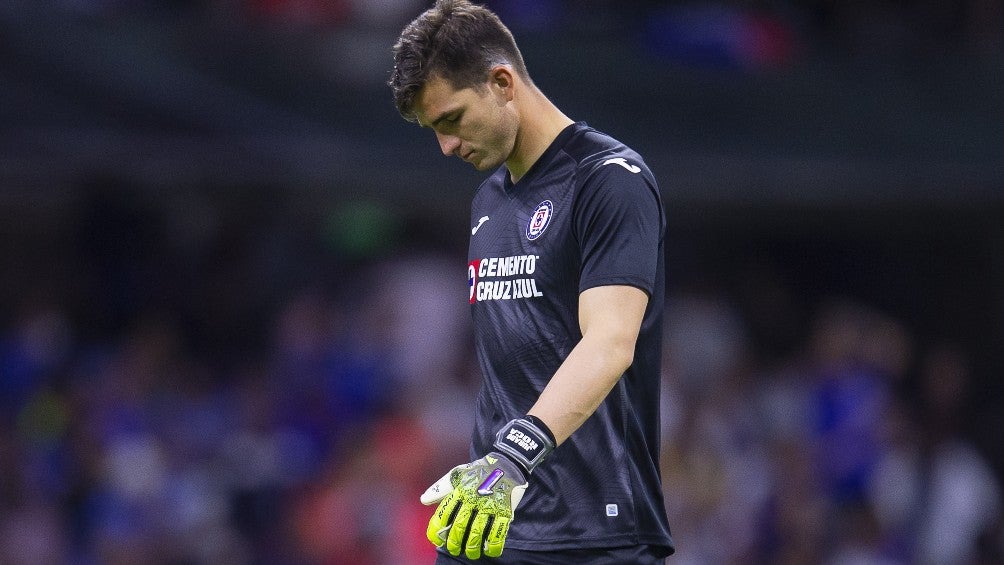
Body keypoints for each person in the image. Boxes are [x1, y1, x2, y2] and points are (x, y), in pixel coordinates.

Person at [388, 1, 674, 562]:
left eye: (451, 120)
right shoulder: (488, 200)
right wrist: (493, 469)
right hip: (494, 517)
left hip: (596, 532)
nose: (445, 146)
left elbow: (611, 342)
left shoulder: (610, 182)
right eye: (432, 130)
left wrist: (513, 456)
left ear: (501, 82)